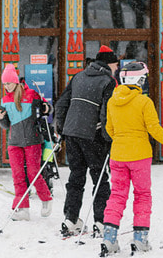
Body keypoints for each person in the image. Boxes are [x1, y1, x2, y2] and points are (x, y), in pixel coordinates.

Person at [100, 61, 163, 255]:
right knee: (142, 195)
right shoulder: (144, 102)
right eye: (143, 79)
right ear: (138, 79)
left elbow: (109, 129)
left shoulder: (112, 101)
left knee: (117, 195)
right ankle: (140, 239)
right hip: (140, 155)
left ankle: (109, 238)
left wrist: (122, 139)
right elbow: (154, 129)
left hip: (118, 154)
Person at [54, 45, 119, 238]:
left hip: (72, 133)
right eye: (115, 65)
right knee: (100, 178)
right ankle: (100, 221)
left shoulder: (78, 76)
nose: (117, 69)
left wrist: (62, 129)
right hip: (93, 135)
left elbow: (61, 104)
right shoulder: (109, 81)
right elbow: (106, 113)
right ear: (109, 64)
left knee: (76, 176)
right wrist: (109, 140)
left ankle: (70, 218)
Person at [0, 64, 53, 221]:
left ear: (15, 82)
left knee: (33, 173)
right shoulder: (5, 99)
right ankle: (22, 208)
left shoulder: (31, 94)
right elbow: (6, 125)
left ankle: (46, 199)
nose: (6, 87)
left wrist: (47, 108)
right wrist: (1, 118)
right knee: (18, 175)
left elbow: (47, 108)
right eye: (4, 84)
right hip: (14, 142)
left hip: (32, 140)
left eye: (8, 83)